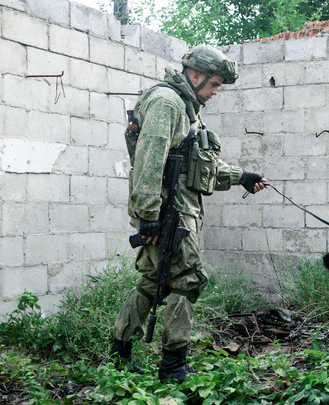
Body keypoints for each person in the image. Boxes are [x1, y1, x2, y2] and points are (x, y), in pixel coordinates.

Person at [110, 45, 267, 382]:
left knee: (153, 282)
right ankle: (173, 367)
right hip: (168, 215)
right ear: (196, 76)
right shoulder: (167, 103)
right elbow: (149, 162)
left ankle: (118, 354)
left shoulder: (187, 107)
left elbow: (197, 166)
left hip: (176, 212)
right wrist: (150, 215)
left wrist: (240, 176)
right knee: (187, 281)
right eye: (214, 85)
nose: (214, 92)